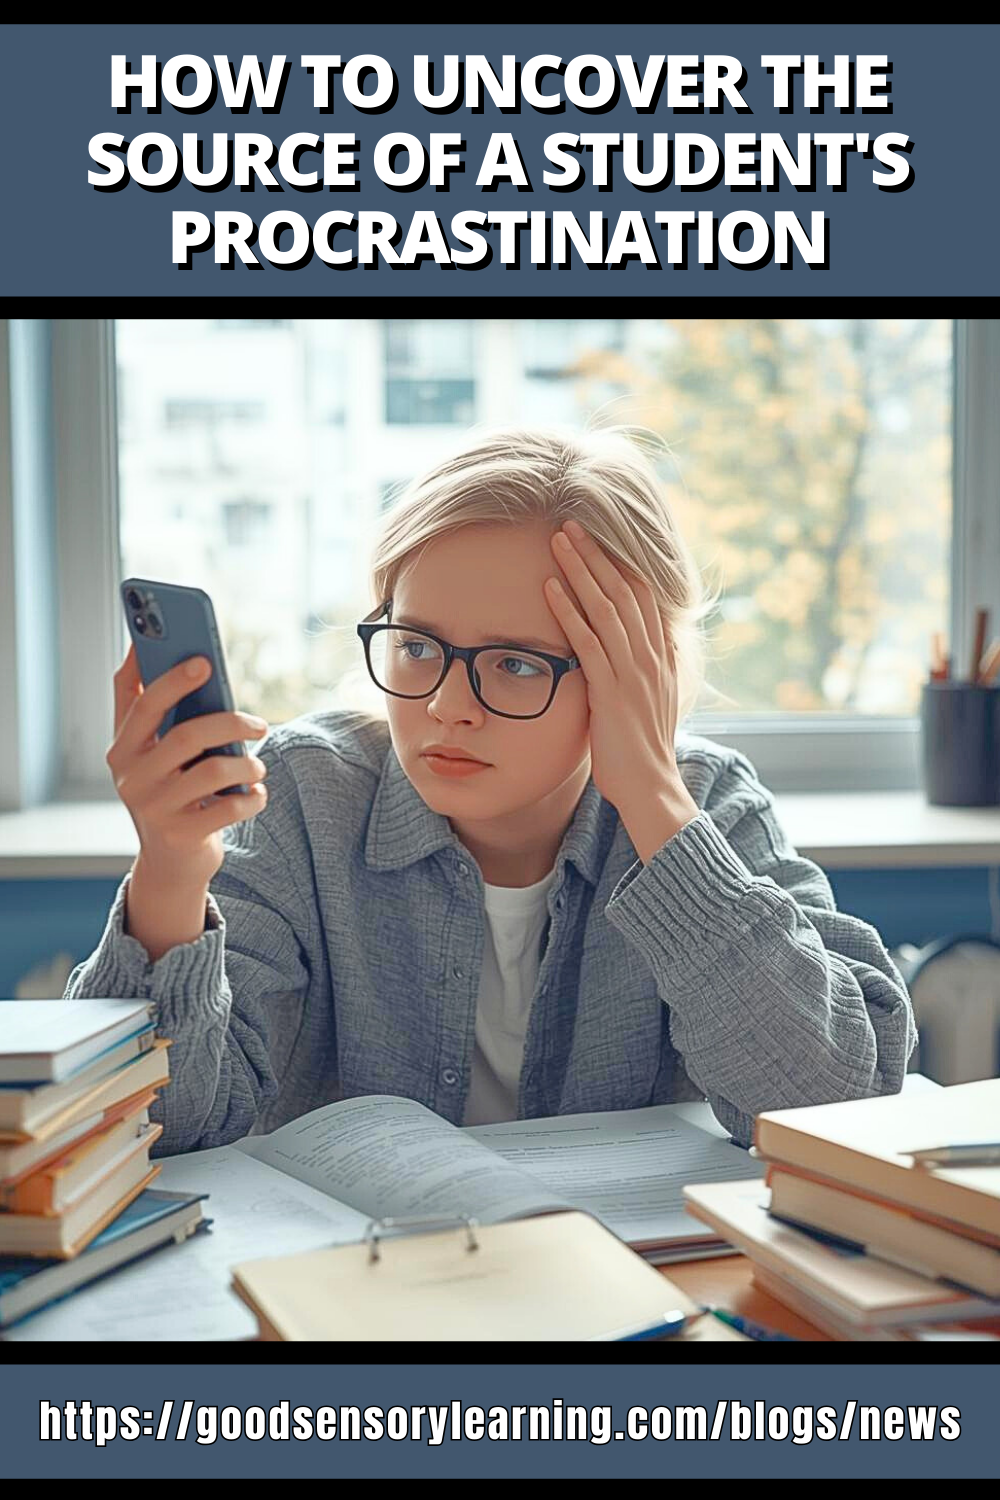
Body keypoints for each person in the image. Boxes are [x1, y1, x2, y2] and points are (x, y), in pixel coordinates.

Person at [65, 425, 917, 1157]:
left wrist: (654, 799)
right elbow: (148, 1130)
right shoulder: (302, 793)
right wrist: (171, 870)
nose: (445, 707)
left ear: (634, 675)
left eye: (514, 664)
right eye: (417, 645)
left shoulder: (705, 806)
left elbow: (829, 1107)